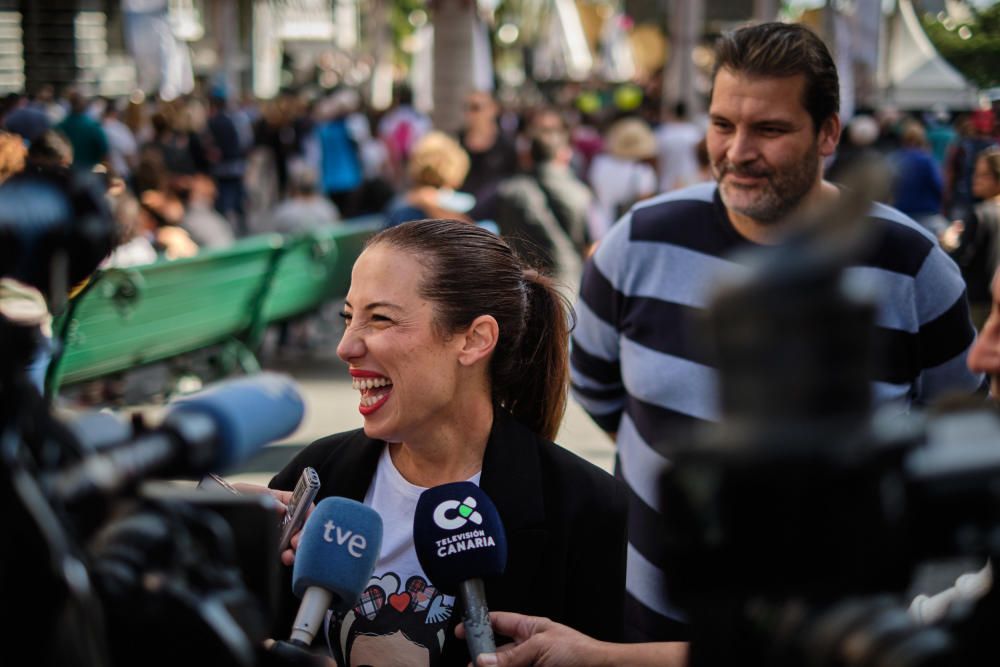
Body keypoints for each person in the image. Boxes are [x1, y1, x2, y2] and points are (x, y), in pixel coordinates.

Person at [571, 21, 983, 644]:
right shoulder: (636, 242)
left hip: (840, 641)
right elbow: (600, 394)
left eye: (769, 129)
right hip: (644, 629)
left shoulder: (912, 265)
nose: (736, 151)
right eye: (722, 124)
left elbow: (954, 426)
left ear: (828, 134)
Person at [267, 219, 627, 666]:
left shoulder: (586, 507)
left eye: (380, 318)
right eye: (348, 317)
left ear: (475, 340)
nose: (346, 346)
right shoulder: (319, 472)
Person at [941, 147, 1000, 328]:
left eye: (983, 175)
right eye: (975, 172)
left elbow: (962, 260)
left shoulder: (980, 215)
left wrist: (948, 243)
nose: (975, 179)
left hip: (977, 303)